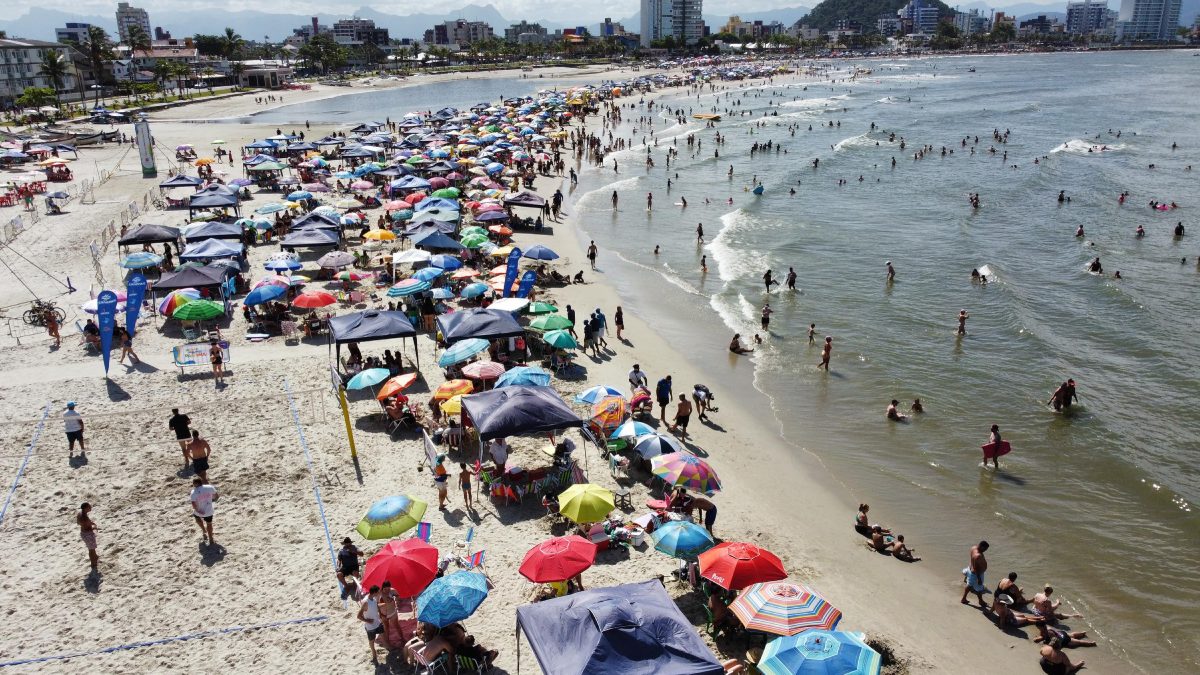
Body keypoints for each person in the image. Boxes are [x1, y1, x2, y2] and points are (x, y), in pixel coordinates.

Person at [358, 585, 385, 663]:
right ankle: (374, 656)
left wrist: (380, 614)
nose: (379, 593)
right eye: (378, 592)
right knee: (371, 642)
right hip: (370, 627)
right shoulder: (365, 602)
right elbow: (358, 616)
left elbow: (376, 606)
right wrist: (367, 620)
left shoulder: (374, 598)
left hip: (378, 623)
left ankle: (389, 648)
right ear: (374, 592)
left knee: (383, 636)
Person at [961, 540, 990, 607]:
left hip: (971, 570)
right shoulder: (978, 556)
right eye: (985, 549)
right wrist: (979, 578)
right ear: (982, 547)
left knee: (969, 585)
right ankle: (980, 601)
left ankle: (964, 598)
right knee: (979, 588)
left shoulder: (973, 547)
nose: (985, 550)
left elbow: (973, 562)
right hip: (976, 574)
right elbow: (975, 568)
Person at [189, 477, 219, 544]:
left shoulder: (193, 492)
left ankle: (203, 530)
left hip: (199, 511)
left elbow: (193, 505)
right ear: (201, 482)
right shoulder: (209, 487)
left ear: (194, 484)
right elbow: (216, 496)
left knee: (197, 518)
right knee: (209, 524)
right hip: (208, 510)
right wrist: (212, 501)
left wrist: (198, 511)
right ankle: (211, 538)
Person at [77, 502, 99, 571]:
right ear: (86, 508)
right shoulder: (85, 518)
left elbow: (78, 523)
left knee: (92, 549)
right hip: (88, 534)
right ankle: (93, 564)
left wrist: (90, 523)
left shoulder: (80, 513)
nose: (91, 507)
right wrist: (95, 527)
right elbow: (89, 526)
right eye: (89, 507)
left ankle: (95, 557)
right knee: (91, 550)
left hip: (83, 533)